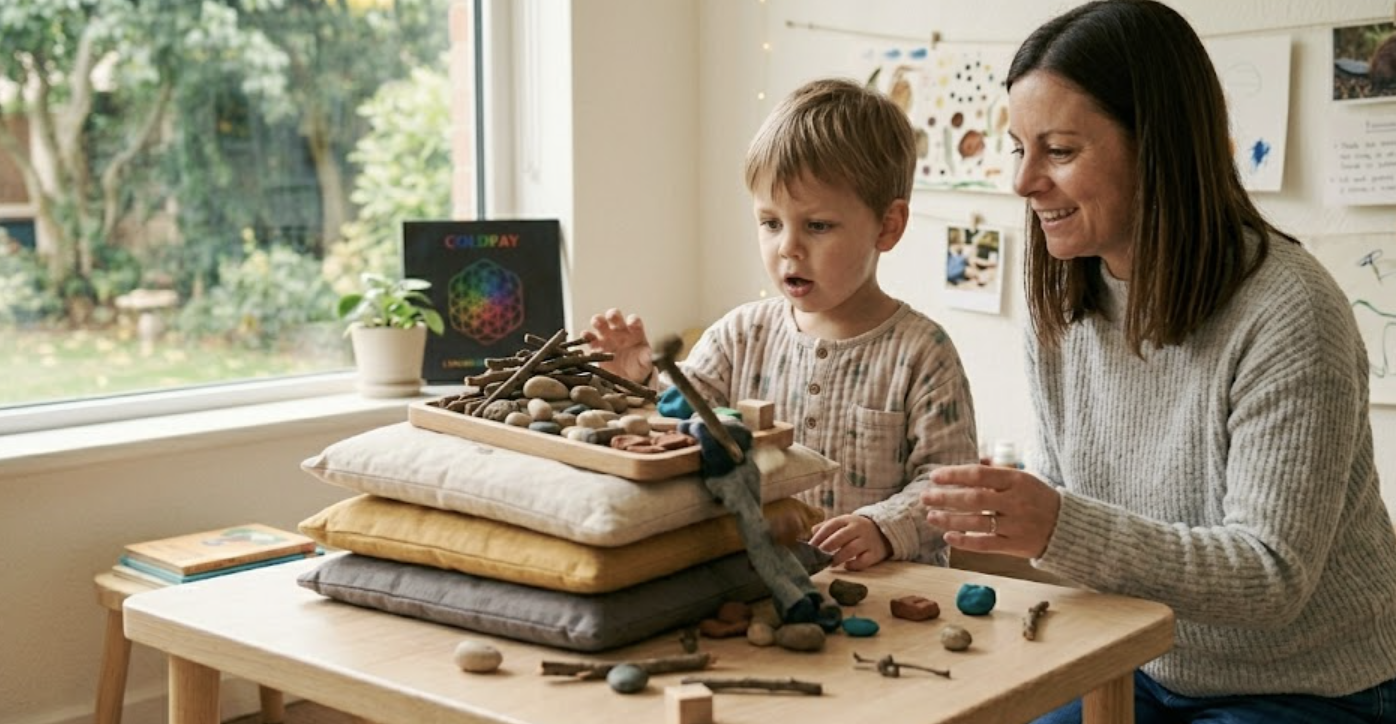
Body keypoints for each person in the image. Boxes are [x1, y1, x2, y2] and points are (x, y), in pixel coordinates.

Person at [919, 2, 1396, 722]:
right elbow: (1066, 497)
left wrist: (1055, 526)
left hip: (1310, 684)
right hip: (1140, 659)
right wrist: (900, 524)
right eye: (1020, 148)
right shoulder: (1067, 298)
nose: (1023, 182)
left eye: (1060, 150)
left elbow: (1271, 576)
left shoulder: (1290, 311)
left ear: (1158, 147)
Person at [585, 78, 979, 571]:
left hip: (890, 597)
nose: (787, 248)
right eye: (771, 223)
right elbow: (681, 425)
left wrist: (884, 526)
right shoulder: (740, 335)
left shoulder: (923, 353)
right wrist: (639, 378)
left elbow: (951, 483)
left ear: (887, 226)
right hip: (756, 584)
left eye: (817, 226)